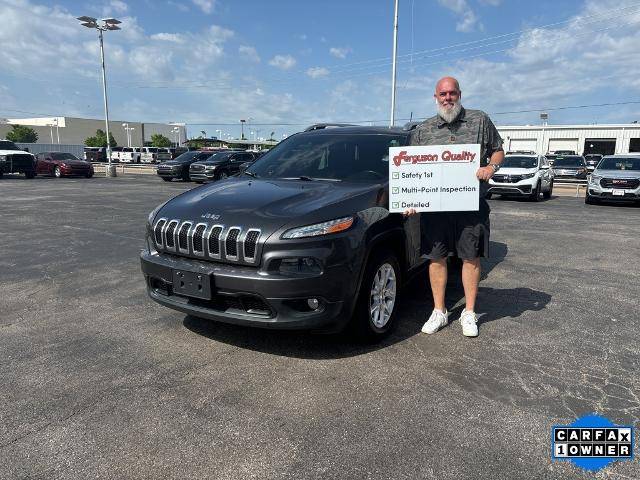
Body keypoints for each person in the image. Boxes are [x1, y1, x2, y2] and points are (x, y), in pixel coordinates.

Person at [404, 76, 504, 337]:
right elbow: (412, 169)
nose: (447, 98)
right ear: (435, 97)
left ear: (459, 94)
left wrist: (490, 167)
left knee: (470, 257)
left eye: (452, 93)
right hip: (436, 209)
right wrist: (410, 199)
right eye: (442, 94)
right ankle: (440, 311)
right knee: (436, 258)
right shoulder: (423, 131)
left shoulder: (479, 120)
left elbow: (498, 150)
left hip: (470, 205)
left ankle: (469, 312)